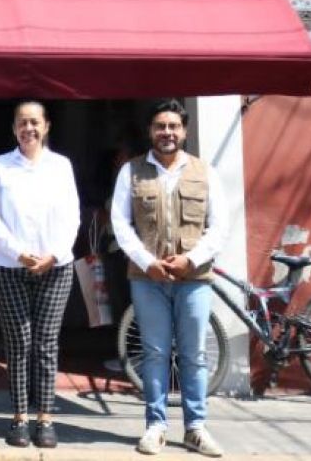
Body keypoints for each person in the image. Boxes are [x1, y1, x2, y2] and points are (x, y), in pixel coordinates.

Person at [111, 100, 229, 457]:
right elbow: (120, 222)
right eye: (160, 126)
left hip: (193, 279)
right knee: (155, 353)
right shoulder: (131, 172)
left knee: (193, 354)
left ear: (184, 131)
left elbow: (219, 227)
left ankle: (196, 427)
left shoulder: (205, 172)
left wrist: (190, 259)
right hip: (147, 279)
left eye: (173, 126)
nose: (167, 133)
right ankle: (155, 426)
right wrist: (147, 262)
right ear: (150, 131)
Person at [0, 101, 80, 449]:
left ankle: (46, 418)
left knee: (46, 344)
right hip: (8, 266)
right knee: (18, 344)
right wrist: (18, 253)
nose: (29, 129)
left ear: (47, 126)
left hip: (56, 266)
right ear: (14, 129)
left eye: (35, 122)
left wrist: (53, 254)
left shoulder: (61, 166)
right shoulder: (0, 166)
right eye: (22, 123)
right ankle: (20, 417)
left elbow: (73, 217)